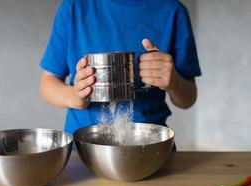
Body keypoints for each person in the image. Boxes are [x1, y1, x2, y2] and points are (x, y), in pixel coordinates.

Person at [39, 0, 201, 137]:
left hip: (150, 145)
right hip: (82, 148)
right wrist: (75, 96)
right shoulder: (73, 7)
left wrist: (174, 83)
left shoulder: (173, 11)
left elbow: (188, 98)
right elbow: (47, 84)